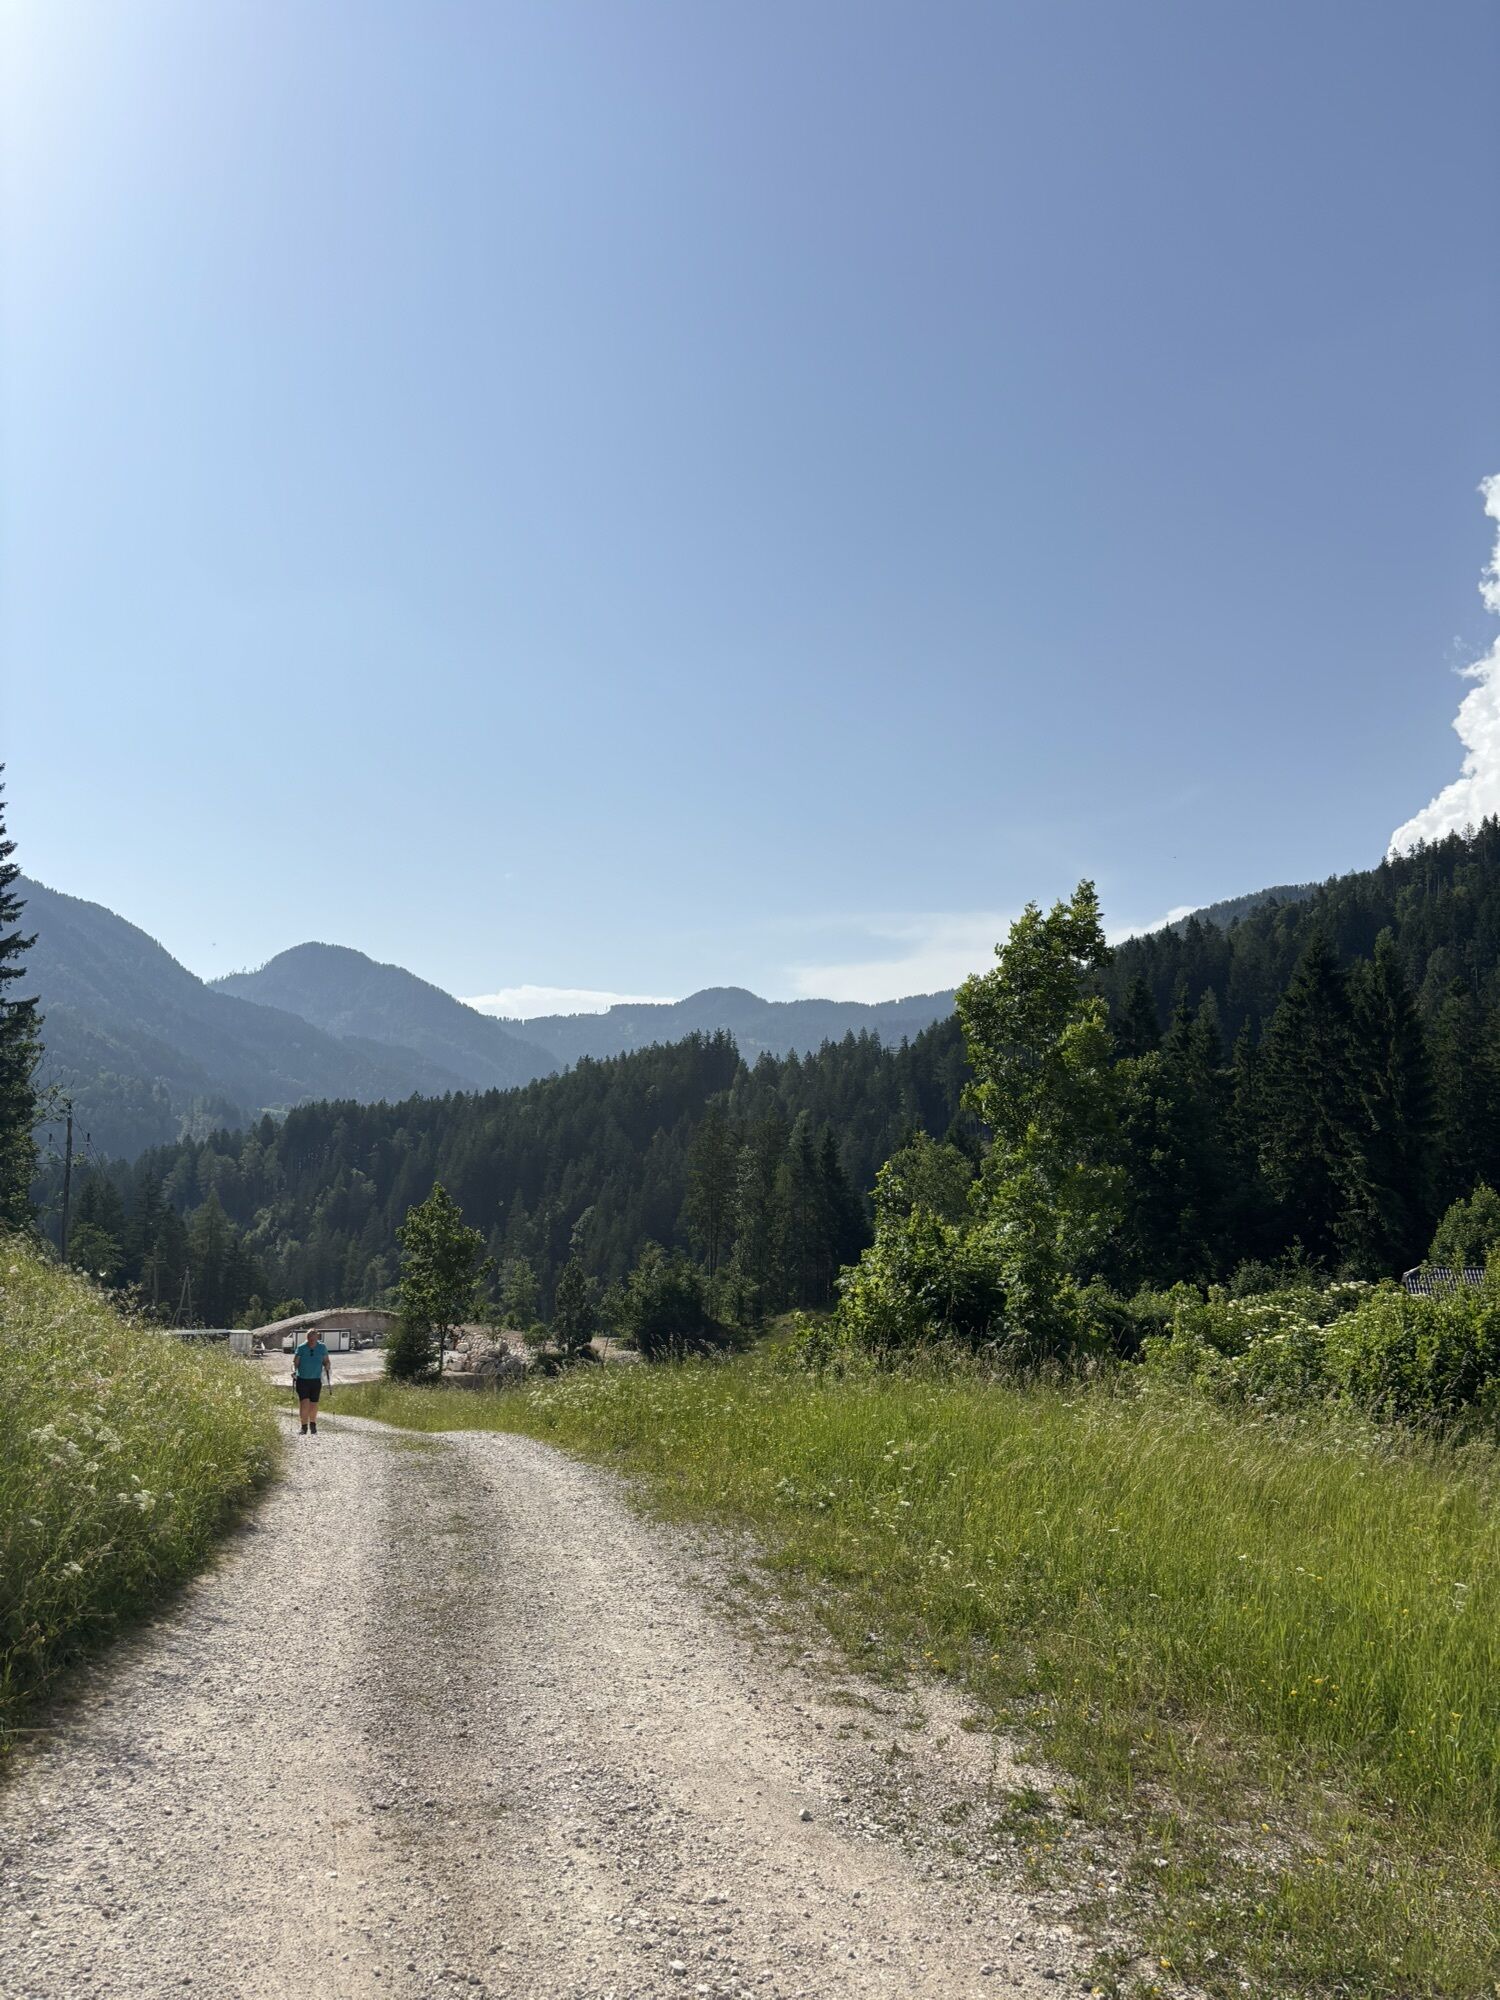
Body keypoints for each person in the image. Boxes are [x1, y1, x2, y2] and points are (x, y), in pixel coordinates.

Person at [292, 1326, 332, 1435]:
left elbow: (326, 1361)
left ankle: (313, 1425)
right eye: (310, 1339)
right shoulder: (301, 1348)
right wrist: (294, 1371)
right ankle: (304, 1427)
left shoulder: (322, 1347)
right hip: (302, 1380)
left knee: (314, 1404)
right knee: (304, 1403)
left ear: (317, 1338)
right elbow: (295, 1363)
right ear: (307, 1338)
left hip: (316, 1380)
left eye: (313, 1339)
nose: (311, 1341)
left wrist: (327, 1365)